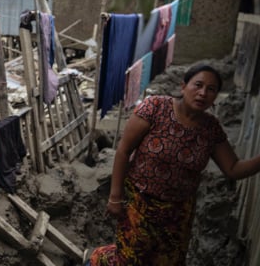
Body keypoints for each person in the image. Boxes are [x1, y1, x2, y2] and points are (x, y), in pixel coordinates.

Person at [86, 63, 260, 265]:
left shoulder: (211, 130)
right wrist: (115, 196)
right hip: (140, 203)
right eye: (198, 85)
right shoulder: (155, 108)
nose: (203, 93)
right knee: (130, 260)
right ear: (183, 86)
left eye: (211, 89)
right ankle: (95, 260)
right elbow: (124, 151)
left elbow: (233, 169)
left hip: (178, 213)